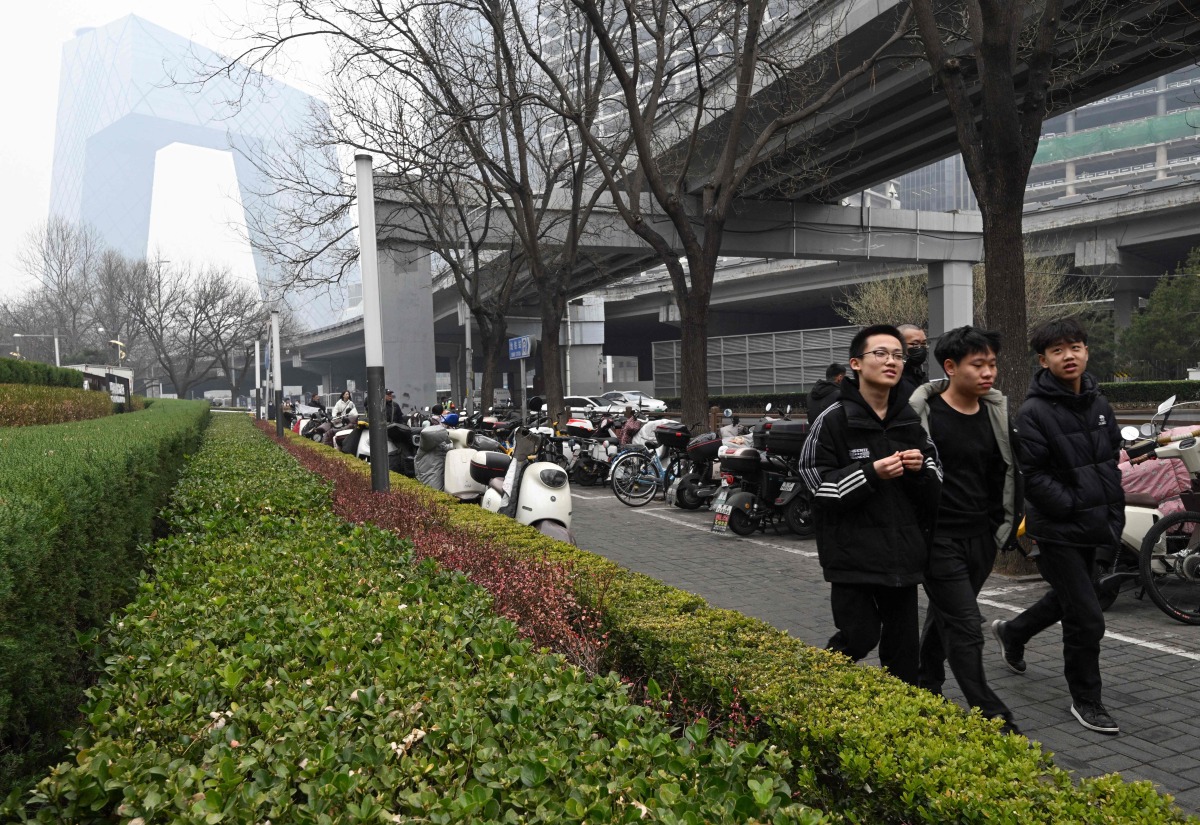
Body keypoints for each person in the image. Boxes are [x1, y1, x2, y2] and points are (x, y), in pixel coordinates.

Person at [991, 317, 1124, 735]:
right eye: (1058, 350)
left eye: (1076, 346)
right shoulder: (1033, 413)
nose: (1069, 356)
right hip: (1057, 530)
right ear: (1043, 359)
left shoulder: (1100, 404)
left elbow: (1110, 465)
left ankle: (1013, 632)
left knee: (1071, 599)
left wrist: (1112, 515)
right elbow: (1035, 474)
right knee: (1087, 617)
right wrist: (1074, 505)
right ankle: (1087, 700)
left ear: (1086, 351)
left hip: (1097, 525)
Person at [799, 324, 942, 686]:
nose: (891, 361)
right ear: (856, 364)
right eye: (880, 354)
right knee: (860, 637)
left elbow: (938, 478)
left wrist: (920, 469)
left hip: (902, 557)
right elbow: (816, 485)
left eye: (897, 355)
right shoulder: (833, 420)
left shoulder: (910, 420)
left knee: (903, 657)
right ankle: (816, 684)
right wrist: (871, 473)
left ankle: (904, 723)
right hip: (852, 558)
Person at [908, 326, 1019, 733]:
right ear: (951, 367)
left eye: (992, 363)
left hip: (981, 537)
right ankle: (989, 711)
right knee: (967, 624)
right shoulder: (924, 414)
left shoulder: (995, 413)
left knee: (947, 613)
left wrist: (998, 527)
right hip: (938, 537)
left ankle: (926, 680)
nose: (988, 372)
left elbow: (1003, 474)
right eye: (978, 364)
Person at [896, 324, 928, 401]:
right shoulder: (893, 377)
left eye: (923, 344)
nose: (921, 348)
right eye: (915, 344)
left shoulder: (918, 373)